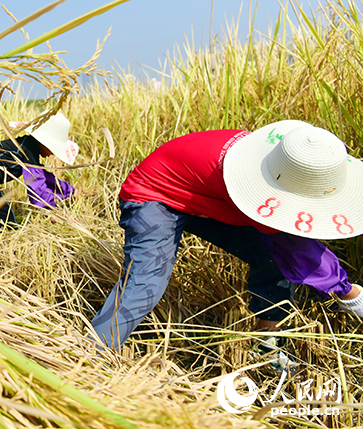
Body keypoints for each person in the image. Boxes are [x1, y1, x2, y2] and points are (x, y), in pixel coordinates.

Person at [91, 120, 363, 352]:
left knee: (270, 257)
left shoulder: (286, 166)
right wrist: (348, 293)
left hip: (208, 194)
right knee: (146, 283)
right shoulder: (254, 180)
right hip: (155, 194)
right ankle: (93, 354)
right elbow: (295, 249)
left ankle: (267, 345)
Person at [0, 112, 78, 233]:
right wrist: (53, 211)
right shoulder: (28, 152)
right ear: (45, 142)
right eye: (54, 148)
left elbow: (44, 177)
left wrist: (70, 191)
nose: (52, 154)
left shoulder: (23, 146)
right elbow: (37, 190)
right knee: (8, 229)